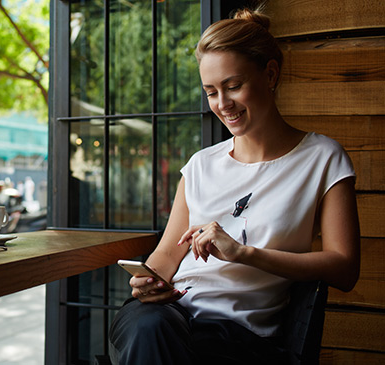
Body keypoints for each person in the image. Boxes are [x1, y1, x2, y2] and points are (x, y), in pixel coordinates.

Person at [109, 6, 360, 364]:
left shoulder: (322, 158)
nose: (222, 104)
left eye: (234, 86)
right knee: (149, 327)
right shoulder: (200, 165)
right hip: (169, 316)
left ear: (270, 74)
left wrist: (244, 253)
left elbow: (345, 267)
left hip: (241, 336)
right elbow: (167, 254)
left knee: (159, 343)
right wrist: (149, 281)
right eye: (211, 92)